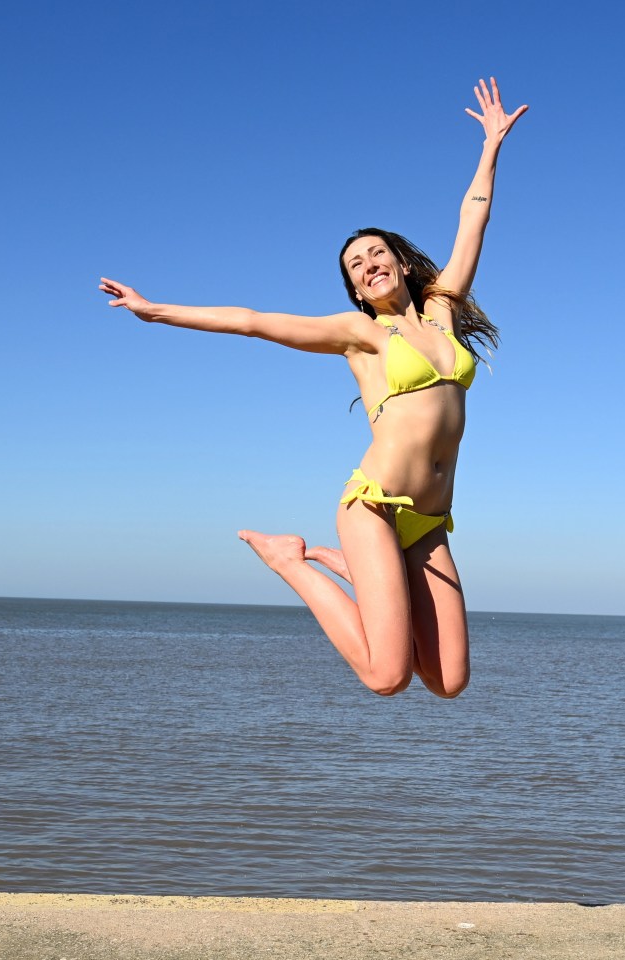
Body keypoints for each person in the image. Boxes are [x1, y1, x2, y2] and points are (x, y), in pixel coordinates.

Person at [100, 77, 527, 698]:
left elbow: (473, 220)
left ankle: (344, 566)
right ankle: (290, 560)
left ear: (402, 263)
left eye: (377, 254)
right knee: (387, 677)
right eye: (356, 266)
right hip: (374, 506)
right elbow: (255, 322)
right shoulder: (361, 334)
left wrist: (490, 146)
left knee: (447, 682)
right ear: (355, 291)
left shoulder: (444, 310)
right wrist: (157, 310)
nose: (369, 265)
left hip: (430, 521)